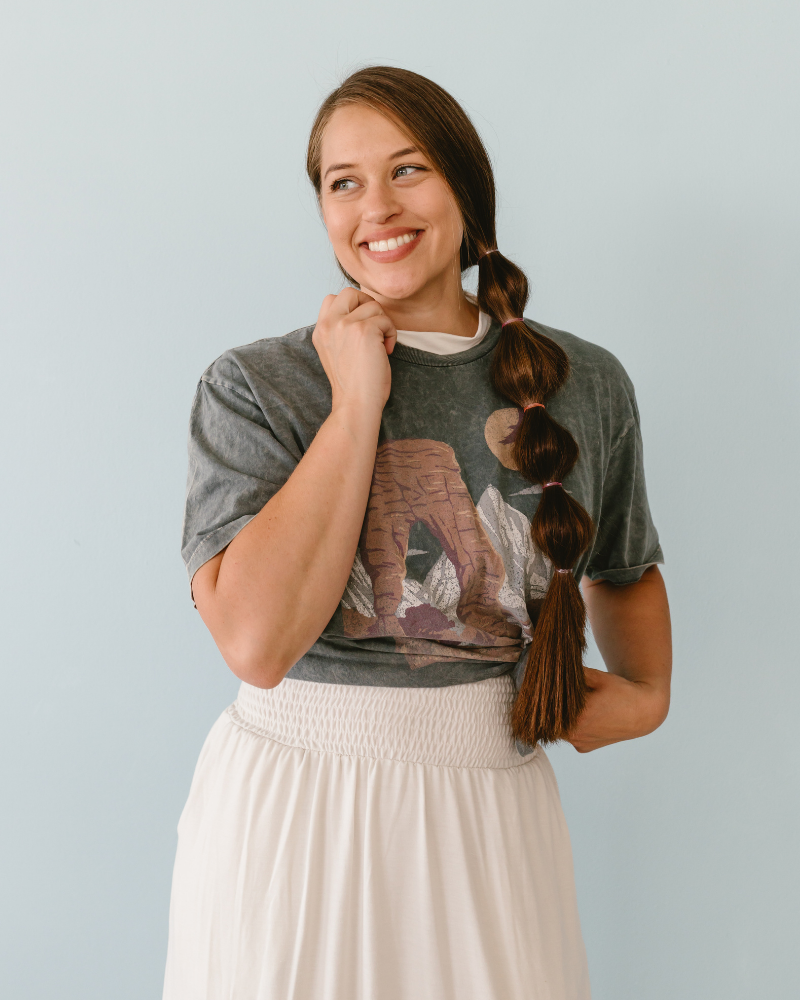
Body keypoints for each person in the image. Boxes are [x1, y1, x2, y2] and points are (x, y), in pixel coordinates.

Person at [162, 66, 672, 1000]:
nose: (376, 207)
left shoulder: (586, 385)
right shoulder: (256, 387)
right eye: (343, 182)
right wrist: (357, 401)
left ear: (467, 194)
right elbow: (255, 642)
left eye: (410, 170)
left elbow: (624, 569)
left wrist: (644, 700)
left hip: (493, 809)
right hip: (296, 810)